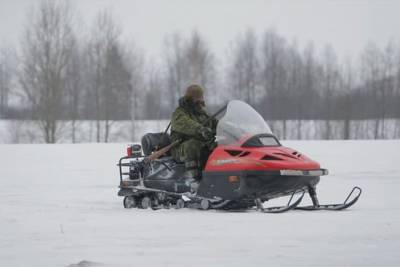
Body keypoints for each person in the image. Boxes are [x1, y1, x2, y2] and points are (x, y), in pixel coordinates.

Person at [170, 84, 218, 183]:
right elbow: (187, 124)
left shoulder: (202, 113)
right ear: (190, 99)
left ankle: (216, 176)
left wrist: (229, 126)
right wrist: (201, 129)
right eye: (197, 99)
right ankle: (192, 180)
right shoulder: (179, 113)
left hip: (202, 144)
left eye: (200, 98)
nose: (200, 101)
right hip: (179, 148)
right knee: (193, 144)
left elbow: (214, 122)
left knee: (218, 145)